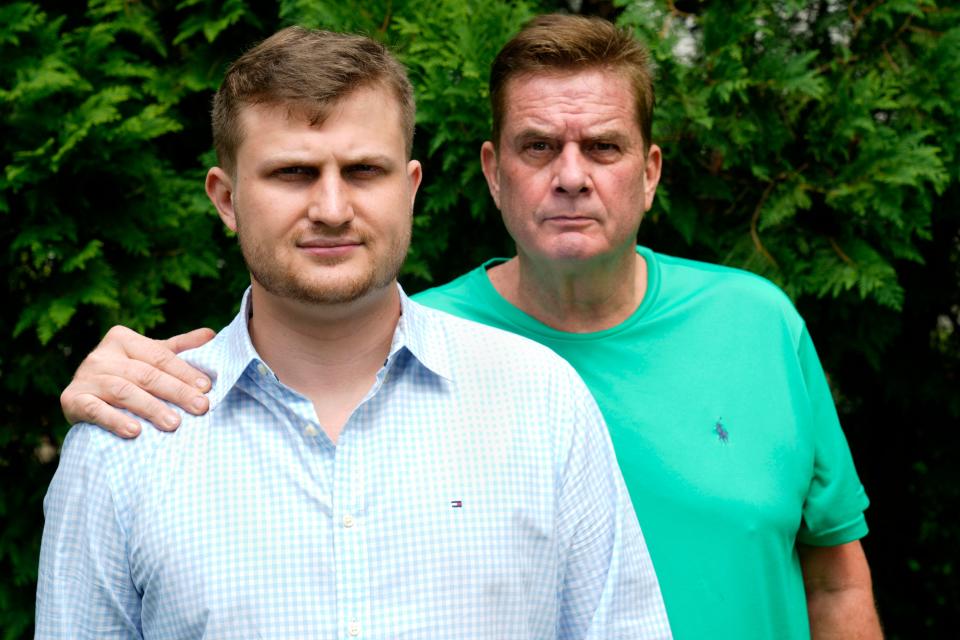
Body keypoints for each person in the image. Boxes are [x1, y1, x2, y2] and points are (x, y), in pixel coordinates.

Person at [58, 14, 883, 640]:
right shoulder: (140, 430)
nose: (333, 206)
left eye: (602, 146)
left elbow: (836, 575)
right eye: (536, 148)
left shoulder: (580, 382)